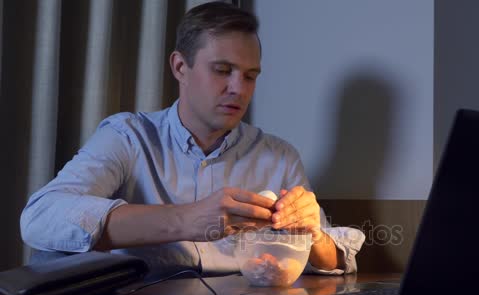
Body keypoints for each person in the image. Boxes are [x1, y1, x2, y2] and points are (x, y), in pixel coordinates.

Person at [20, 2, 364, 277]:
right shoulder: (128, 136)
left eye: (250, 76)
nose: (238, 89)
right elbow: (40, 217)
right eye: (222, 70)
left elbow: (335, 257)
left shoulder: (279, 156)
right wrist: (187, 219)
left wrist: (312, 234)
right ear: (180, 68)